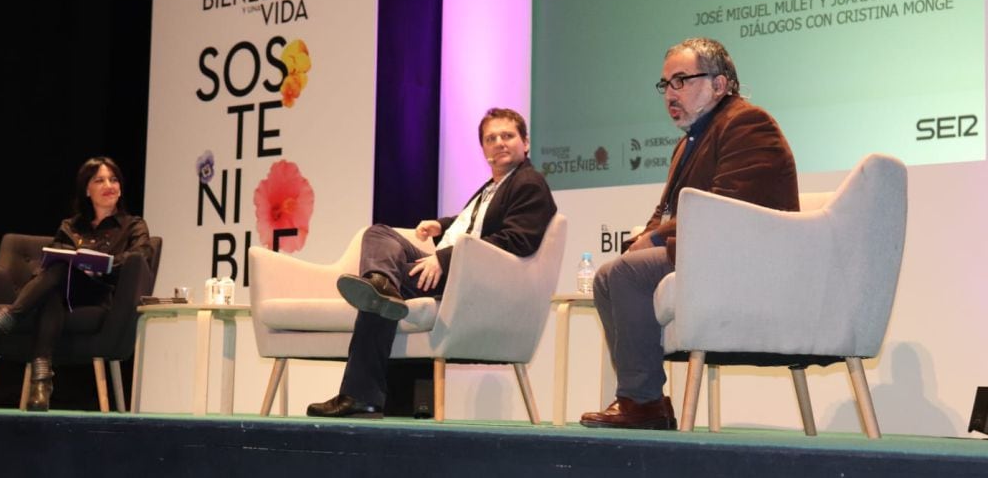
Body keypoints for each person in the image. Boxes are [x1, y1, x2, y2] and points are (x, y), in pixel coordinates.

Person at [581, 37, 798, 429]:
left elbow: (728, 205)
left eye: (681, 81)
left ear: (719, 84)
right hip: (706, 250)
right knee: (606, 277)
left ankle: (642, 402)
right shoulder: (688, 143)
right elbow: (664, 212)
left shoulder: (748, 123)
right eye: (665, 84)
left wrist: (658, 238)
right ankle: (645, 402)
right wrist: (645, 239)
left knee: (624, 275)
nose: (670, 94)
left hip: (746, 258)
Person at [307, 107, 557, 418]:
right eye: (491, 138)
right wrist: (442, 225)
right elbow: (478, 223)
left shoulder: (529, 183)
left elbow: (515, 241)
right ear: (483, 149)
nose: (499, 142)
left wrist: (444, 258)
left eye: (507, 135)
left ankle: (360, 393)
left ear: (526, 143)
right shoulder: (494, 187)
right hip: (457, 271)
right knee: (379, 238)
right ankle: (380, 286)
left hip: (470, 281)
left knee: (381, 267)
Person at [0, 156, 153, 411]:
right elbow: (52, 262)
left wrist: (102, 265)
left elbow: (142, 256)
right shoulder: (71, 226)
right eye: (99, 180)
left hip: (101, 293)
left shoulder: (133, 225)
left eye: (113, 180)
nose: (109, 185)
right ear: (87, 190)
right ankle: (40, 384)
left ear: (121, 187)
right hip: (64, 291)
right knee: (54, 285)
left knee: (57, 276)